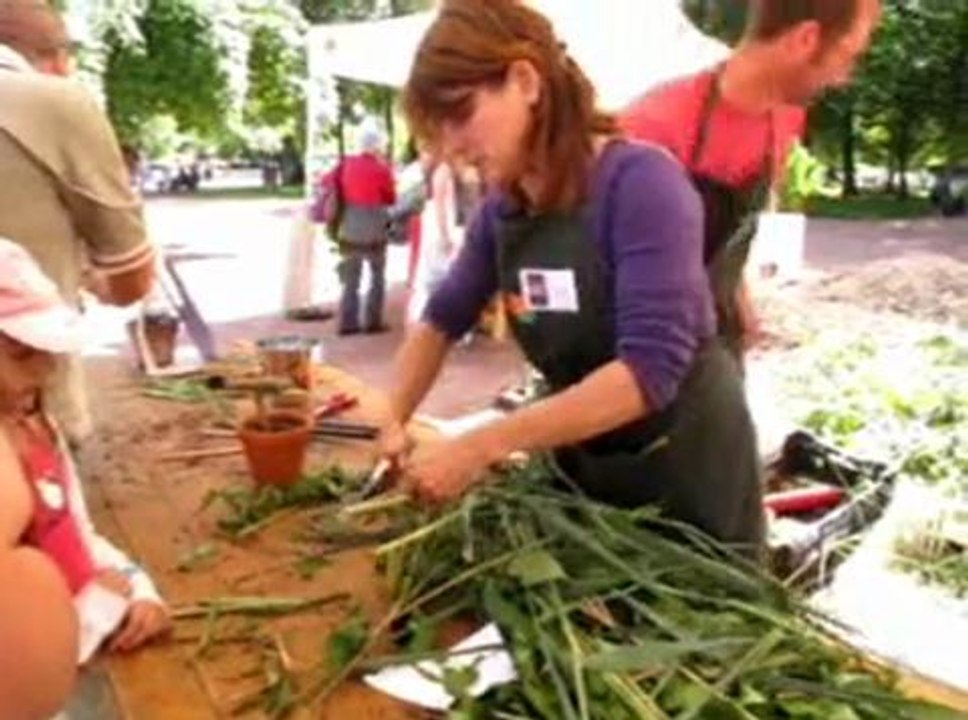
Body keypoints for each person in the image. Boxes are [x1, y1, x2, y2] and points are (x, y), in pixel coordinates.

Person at [380, 0, 764, 554]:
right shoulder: (503, 211)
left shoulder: (642, 185)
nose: (450, 149)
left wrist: (480, 445)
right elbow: (442, 318)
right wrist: (393, 417)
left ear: (525, 80)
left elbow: (647, 373)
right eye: (436, 131)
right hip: (586, 468)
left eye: (461, 113)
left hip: (688, 479)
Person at [621, 0, 881, 360]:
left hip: (718, 333)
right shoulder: (654, 126)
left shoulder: (787, 120)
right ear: (805, 39)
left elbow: (728, 235)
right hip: (642, 345)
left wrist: (740, 303)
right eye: (847, 55)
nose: (844, 77)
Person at [0, 239, 171, 662]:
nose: (44, 372)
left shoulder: (37, 427)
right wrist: (98, 609)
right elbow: (20, 672)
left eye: (50, 355)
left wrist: (138, 589)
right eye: (23, 355)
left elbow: (77, 531)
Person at [0, 0, 155, 444]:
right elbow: (132, 277)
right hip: (23, 410)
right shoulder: (53, 100)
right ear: (57, 58)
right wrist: (101, 280)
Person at [322, 124, 398, 335]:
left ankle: (348, 323)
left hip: (349, 227)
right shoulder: (381, 169)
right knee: (377, 276)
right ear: (377, 147)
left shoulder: (344, 165)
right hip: (375, 228)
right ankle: (373, 321)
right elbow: (391, 198)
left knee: (351, 279)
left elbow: (326, 183)